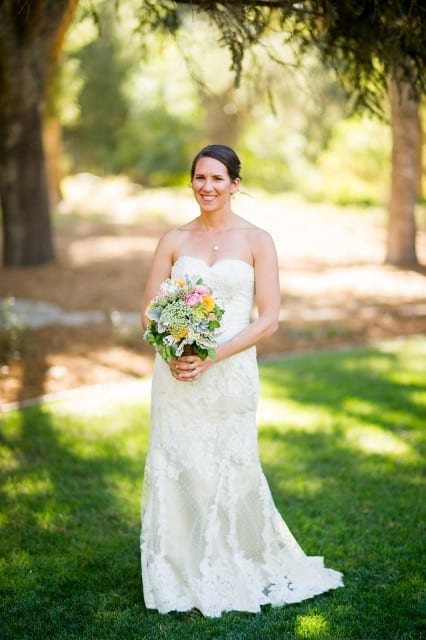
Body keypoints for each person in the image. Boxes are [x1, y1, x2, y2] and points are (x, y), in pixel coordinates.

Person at [140, 144, 343, 618]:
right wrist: (172, 351)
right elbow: (150, 310)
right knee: (178, 464)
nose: (207, 187)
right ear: (190, 183)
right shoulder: (172, 239)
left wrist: (210, 355)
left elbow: (268, 319)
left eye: (217, 179)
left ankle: (234, 561)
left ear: (235, 184)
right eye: (199, 178)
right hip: (177, 374)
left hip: (230, 373)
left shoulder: (258, 241)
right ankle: (178, 571)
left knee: (231, 467)